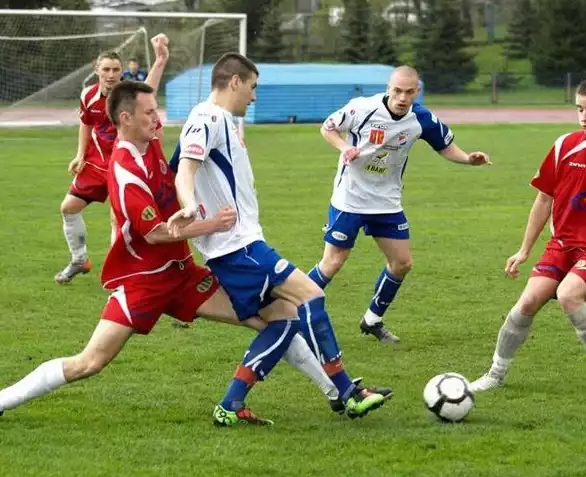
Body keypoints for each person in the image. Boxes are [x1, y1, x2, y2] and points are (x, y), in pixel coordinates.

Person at [0, 81, 341, 426]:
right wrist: (212, 224)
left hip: (182, 276)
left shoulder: (148, 139)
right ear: (125, 118)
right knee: (89, 363)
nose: (157, 117)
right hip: (143, 284)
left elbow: (180, 150)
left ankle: (338, 394)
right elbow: (155, 233)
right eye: (149, 112)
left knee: (278, 315)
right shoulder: (125, 173)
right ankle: (3, 399)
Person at [168, 52, 393, 423]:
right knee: (312, 295)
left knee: (285, 321)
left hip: (236, 247)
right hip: (238, 248)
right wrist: (191, 206)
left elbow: (174, 168)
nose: (254, 97)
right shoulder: (207, 117)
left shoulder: (220, 120)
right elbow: (184, 171)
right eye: (253, 87)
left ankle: (230, 405)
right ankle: (348, 394)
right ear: (235, 82)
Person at [470, 76, 586, 395]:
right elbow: (543, 200)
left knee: (568, 295)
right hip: (561, 244)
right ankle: (495, 374)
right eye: (579, 109)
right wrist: (523, 251)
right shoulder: (564, 146)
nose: (584, 117)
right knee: (527, 301)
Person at [306, 66, 491, 343]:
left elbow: (444, 145)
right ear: (388, 88)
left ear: (417, 92)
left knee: (402, 262)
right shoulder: (362, 108)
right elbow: (328, 128)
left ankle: (372, 320)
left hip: (387, 202)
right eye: (397, 91)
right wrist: (345, 148)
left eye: (409, 92)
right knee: (333, 262)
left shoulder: (422, 118)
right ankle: (288, 311)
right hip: (350, 199)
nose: (402, 97)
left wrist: (467, 159)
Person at [55, 35, 168, 284]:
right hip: (97, 163)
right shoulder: (88, 96)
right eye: (106, 69)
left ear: (122, 72)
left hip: (124, 164)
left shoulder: (128, 95)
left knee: (117, 220)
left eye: (116, 69)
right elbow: (86, 125)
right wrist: (80, 155)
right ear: (97, 71)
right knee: (68, 208)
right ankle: (79, 259)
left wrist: (160, 61)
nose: (111, 74)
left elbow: (150, 101)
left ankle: (120, 276)